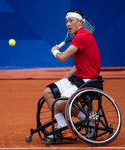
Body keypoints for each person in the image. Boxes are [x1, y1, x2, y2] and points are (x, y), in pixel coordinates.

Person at [43, 9, 101, 138]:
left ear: (80, 22)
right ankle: (63, 126)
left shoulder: (82, 36)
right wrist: (63, 80)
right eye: (66, 21)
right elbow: (77, 65)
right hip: (77, 78)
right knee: (48, 91)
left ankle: (88, 119)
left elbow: (63, 57)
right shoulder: (79, 37)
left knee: (60, 104)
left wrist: (54, 51)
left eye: (71, 21)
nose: (68, 24)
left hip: (88, 80)